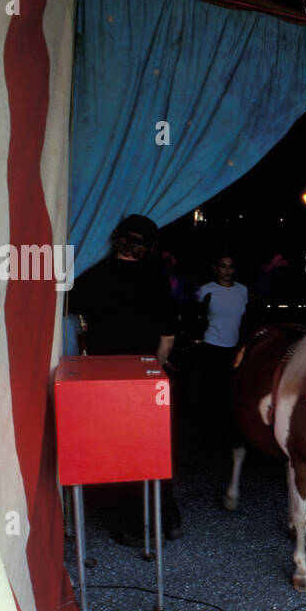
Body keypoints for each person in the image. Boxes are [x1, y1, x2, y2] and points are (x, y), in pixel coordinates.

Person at [70, 214, 184, 540]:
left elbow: (64, 305)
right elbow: (168, 337)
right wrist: (153, 369)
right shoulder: (157, 279)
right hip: (143, 374)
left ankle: (132, 528)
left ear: (116, 238)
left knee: (119, 449)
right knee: (153, 446)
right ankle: (167, 519)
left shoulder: (93, 277)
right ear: (149, 247)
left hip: (104, 378)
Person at [191, 251, 249, 454]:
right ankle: (205, 445)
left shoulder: (242, 290)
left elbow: (244, 321)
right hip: (210, 348)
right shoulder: (206, 290)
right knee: (209, 397)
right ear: (215, 268)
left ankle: (226, 443)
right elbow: (194, 319)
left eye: (230, 266)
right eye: (222, 266)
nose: (227, 271)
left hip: (233, 350)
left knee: (231, 397)